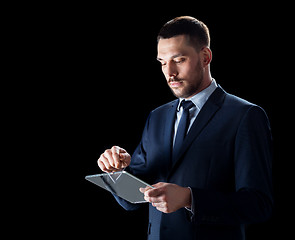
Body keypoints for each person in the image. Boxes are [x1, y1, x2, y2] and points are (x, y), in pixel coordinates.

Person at [97, 16, 273, 240]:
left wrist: (190, 198)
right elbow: (133, 200)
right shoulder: (157, 117)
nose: (169, 73)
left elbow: (258, 204)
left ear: (205, 57)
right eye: (162, 62)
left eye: (178, 59)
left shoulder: (245, 116)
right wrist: (117, 172)